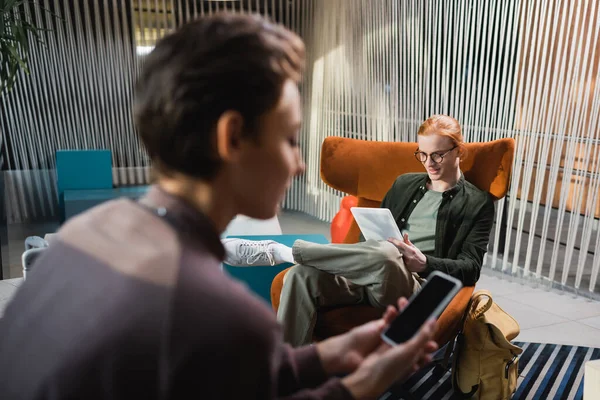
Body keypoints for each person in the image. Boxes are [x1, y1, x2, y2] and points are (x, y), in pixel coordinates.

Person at [0, 13, 438, 400]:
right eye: (288, 139)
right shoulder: (222, 318)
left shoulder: (83, 232)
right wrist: (367, 383)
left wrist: (329, 354)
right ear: (232, 138)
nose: (300, 165)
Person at [224, 114, 495, 346]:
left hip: (414, 286)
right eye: (422, 154)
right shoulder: (404, 184)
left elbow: (470, 267)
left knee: (389, 252)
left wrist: (424, 263)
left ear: (459, 151)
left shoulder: (477, 203)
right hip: (371, 270)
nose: (429, 162)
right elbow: (370, 240)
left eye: (438, 154)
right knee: (300, 276)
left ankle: (284, 251)